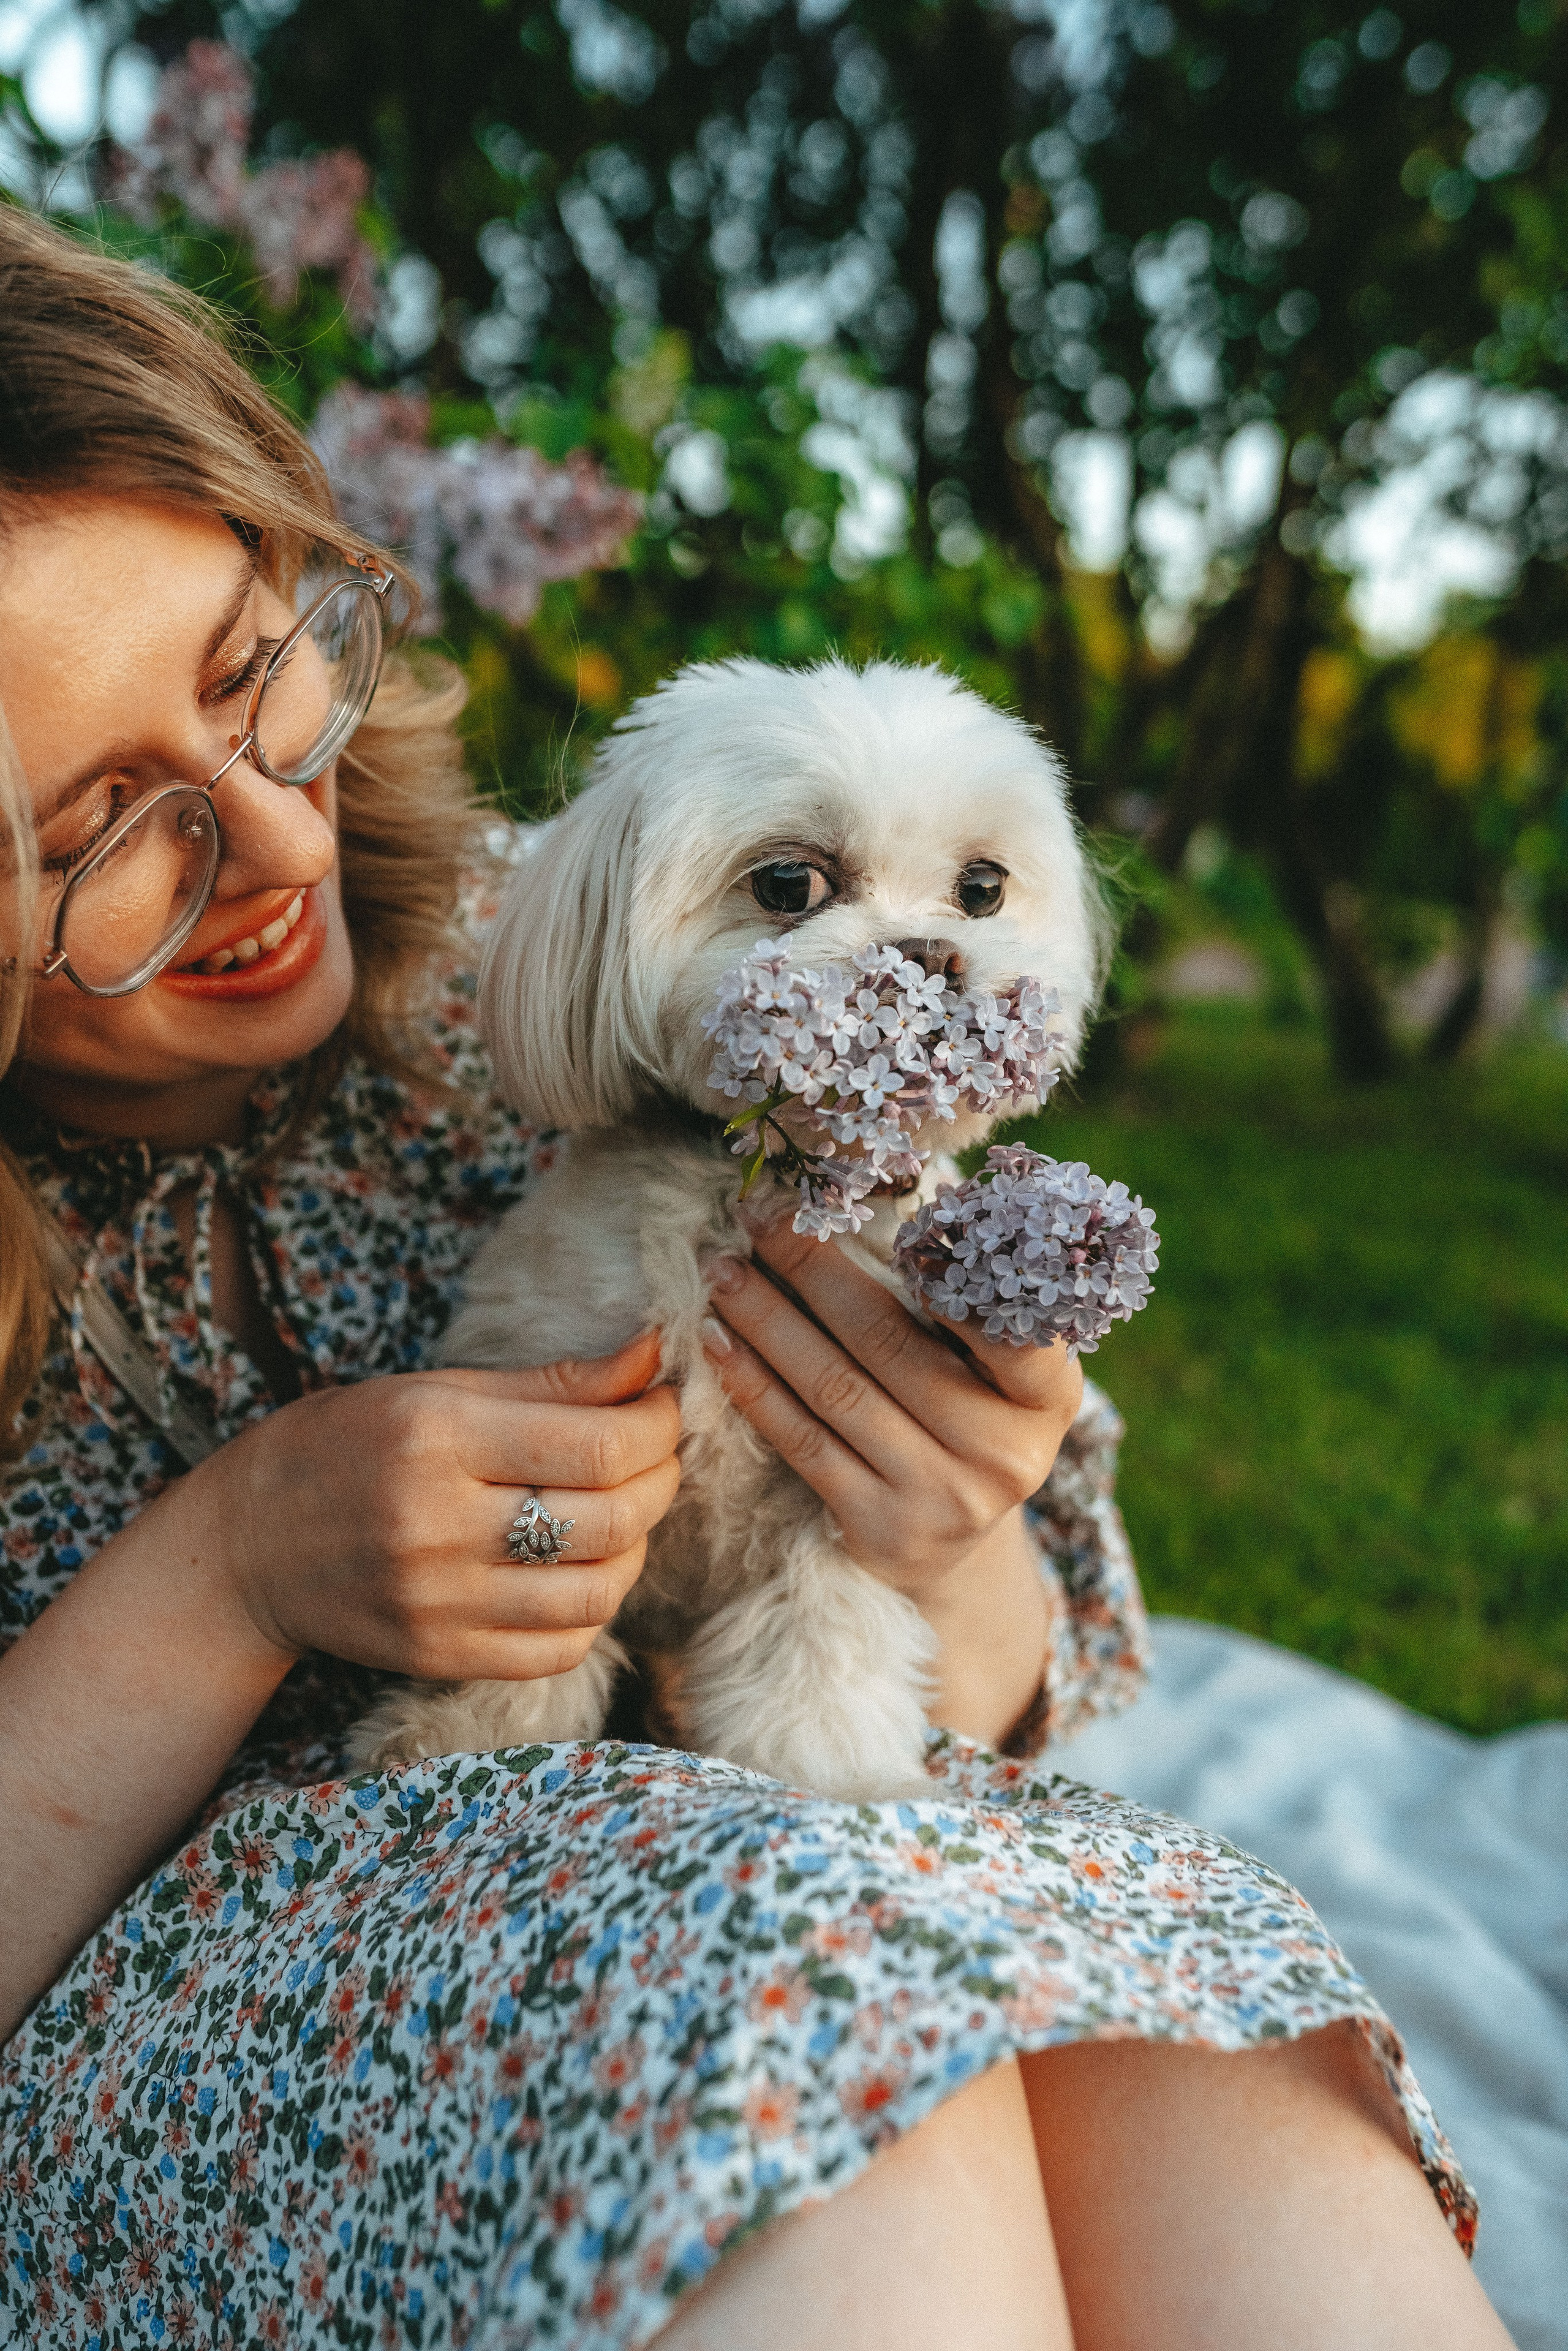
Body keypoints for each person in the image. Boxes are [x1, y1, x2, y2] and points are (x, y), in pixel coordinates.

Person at [0, 205, 1509, 2351]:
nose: (279, 844)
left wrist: (943, 1519)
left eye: (260, 673)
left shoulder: (584, 933)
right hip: (206, 2000)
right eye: (89, 833)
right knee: (820, 2009)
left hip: (795, 1819)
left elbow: (1016, 1673)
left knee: (1187, 2023)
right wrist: (233, 1568)